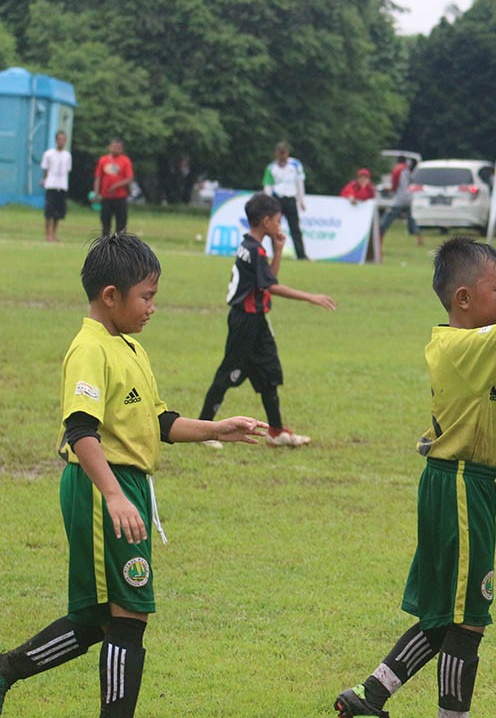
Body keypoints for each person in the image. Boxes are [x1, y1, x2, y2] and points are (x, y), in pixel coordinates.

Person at [0, 233, 266, 717]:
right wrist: (114, 495)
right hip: (105, 488)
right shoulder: (90, 350)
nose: (151, 308)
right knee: (129, 615)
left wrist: (218, 428)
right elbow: (80, 430)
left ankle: (4, 671)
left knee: (96, 620)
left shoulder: (129, 348)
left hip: (124, 488)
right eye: (146, 297)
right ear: (110, 296)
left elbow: (159, 421)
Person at [333, 236, 496, 718]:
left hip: (464, 484)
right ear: (463, 299)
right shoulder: (462, 345)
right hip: (461, 482)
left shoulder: (475, 344)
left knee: (446, 611)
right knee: (468, 620)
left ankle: (368, 696)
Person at [197, 194, 336, 448]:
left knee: (269, 373)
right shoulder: (253, 249)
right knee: (227, 374)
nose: (280, 226)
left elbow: (266, 279)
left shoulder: (253, 246)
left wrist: (279, 249)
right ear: (266, 221)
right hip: (245, 321)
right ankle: (205, 429)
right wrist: (310, 297)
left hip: (257, 321)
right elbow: (271, 286)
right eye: (278, 221)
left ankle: (276, 432)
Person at [262, 142, 308, 260]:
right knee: (275, 228)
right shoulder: (271, 168)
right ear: (276, 154)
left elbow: (300, 183)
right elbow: (268, 186)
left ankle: (301, 255)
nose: (282, 157)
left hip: (290, 198)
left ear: (287, 153)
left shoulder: (295, 165)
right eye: (280, 154)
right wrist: (268, 203)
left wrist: (301, 199)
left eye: (284, 154)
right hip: (277, 199)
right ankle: (276, 254)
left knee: (295, 228)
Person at [93, 139, 135, 238]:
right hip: (106, 196)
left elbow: (129, 178)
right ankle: (104, 243)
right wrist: (96, 192)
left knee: (121, 223)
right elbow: (98, 177)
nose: (116, 149)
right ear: (110, 147)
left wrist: (116, 186)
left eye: (118, 147)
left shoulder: (125, 161)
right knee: (105, 222)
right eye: (114, 146)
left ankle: (121, 244)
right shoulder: (103, 160)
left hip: (120, 196)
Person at [379, 156, 422, 245]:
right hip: (408, 197)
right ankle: (419, 239)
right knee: (411, 219)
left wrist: (390, 190)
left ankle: (380, 237)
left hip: (399, 198)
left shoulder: (397, 169)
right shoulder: (407, 170)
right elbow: (410, 182)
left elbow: (394, 185)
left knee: (388, 218)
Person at [41, 129, 72, 242]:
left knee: (58, 212)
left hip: (62, 185)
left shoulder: (67, 155)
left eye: (63, 139)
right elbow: (45, 169)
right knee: (49, 211)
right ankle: (47, 234)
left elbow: (67, 170)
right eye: (59, 139)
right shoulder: (48, 154)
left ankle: (54, 234)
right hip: (51, 185)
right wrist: (45, 180)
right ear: (56, 140)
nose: (61, 141)